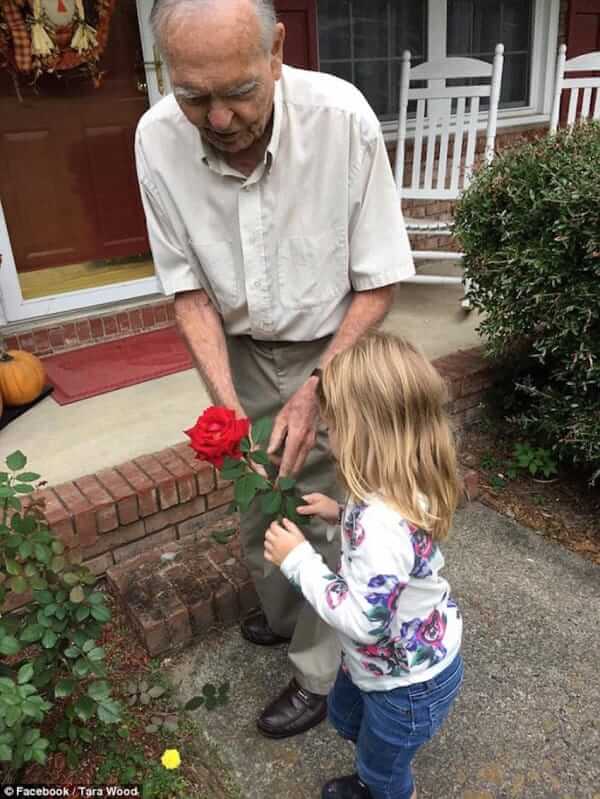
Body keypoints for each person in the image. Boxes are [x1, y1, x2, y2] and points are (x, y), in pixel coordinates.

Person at [136, 0, 414, 739]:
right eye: (194, 94)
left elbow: (380, 279)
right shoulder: (155, 138)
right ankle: (293, 612)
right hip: (239, 350)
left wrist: (318, 388)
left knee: (328, 517)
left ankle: (321, 673)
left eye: (238, 92)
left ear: (277, 50)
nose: (219, 119)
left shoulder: (343, 120)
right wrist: (227, 410)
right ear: (167, 71)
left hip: (336, 345)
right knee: (259, 503)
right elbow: (188, 289)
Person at [264, 331, 464, 799]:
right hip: (391, 664)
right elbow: (396, 541)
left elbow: (363, 621)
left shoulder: (381, 523)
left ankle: (383, 788)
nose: (329, 438)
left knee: (385, 771)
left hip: (405, 684)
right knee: (347, 718)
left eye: (335, 427)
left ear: (363, 431)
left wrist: (299, 563)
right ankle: (373, 773)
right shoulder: (402, 476)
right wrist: (341, 513)